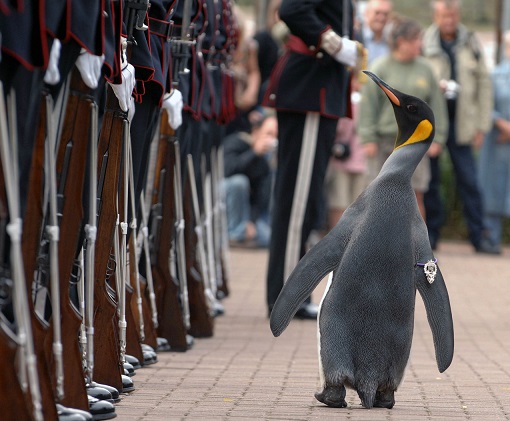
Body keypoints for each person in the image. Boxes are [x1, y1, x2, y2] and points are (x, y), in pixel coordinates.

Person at [263, 0, 362, 319]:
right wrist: (332, 42)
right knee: (296, 202)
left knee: (305, 203)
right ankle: (285, 294)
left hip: (320, 91)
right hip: (310, 91)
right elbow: (291, 10)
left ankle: (292, 291)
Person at [357, 15, 447, 219]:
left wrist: (438, 137)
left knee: (416, 196)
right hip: (383, 143)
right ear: (401, 42)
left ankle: (416, 247)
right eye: (416, 39)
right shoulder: (381, 67)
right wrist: (367, 137)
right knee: (376, 195)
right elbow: (368, 105)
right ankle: (375, 246)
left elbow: (436, 106)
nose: (420, 44)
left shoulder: (425, 69)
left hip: (415, 143)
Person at [422, 0, 493, 252]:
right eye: (443, 15)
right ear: (436, 16)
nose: (448, 20)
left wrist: (481, 126)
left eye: (452, 15)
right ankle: (431, 235)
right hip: (433, 125)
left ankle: (479, 236)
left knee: (469, 181)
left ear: (458, 14)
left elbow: (485, 85)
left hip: (464, 124)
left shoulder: (471, 42)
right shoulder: (424, 42)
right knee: (431, 181)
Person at [477, 30, 510, 255]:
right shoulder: (495, 75)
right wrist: (502, 123)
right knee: (493, 189)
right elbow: (485, 104)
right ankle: (492, 239)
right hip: (499, 140)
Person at [223, 113, 278, 248]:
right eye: (268, 134)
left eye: (275, 136)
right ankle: (234, 234)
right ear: (256, 131)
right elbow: (227, 170)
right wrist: (253, 153)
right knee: (239, 182)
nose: (272, 139)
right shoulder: (236, 142)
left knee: (270, 239)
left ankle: (242, 233)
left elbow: (260, 199)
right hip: (223, 205)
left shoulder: (264, 164)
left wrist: (251, 222)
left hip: (246, 214)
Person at [324, 87, 367, 229]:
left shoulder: (352, 100)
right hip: (353, 159)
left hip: (355, 157)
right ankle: (345, 242)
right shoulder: (362, 99)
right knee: (341, 203)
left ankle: (343, 243)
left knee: (343, 204)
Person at [358, 0, 393, 65]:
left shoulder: (392, 41)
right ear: (366, 13)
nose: (381, 17)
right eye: (377, 13)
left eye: (385, 14)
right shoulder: (355, 37)